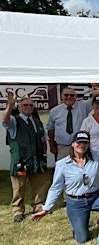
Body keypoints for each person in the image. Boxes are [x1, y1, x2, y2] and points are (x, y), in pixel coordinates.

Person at [31, 125, 99, 245]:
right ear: (73, 144)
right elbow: (56, 188)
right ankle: (79, 228)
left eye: (85, 143)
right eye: (79, 142)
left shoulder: (96, 155)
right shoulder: (62, 164)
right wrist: (46, 209)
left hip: (95, 196)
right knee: (82, 238)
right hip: (76, 202)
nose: (82, 145)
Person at [2, 92, 48, 223]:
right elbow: (4, 120)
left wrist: (44, 154)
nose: (28, 107)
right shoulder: (14, 121)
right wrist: (10, 106)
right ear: (20, 107)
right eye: (25, 105)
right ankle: (18, 211)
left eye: (31, 105)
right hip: (20, 161)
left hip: (37, 160)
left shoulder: (38, 122)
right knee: (18, 188)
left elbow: (43, 139)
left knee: (39, 185)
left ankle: (38, 206)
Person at [46, 87, 95, 160]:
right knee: (63, 170)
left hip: (80, 147)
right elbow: (50, 130)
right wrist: (52, 146)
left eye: (72, 95)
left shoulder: (83, 106)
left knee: (80, 169)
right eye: (66, 95)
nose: (69, 97)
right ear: (61, 97)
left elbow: (95, 98)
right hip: (63, 147)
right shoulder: (54, 111)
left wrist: (95, 86)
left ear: (76, 97)